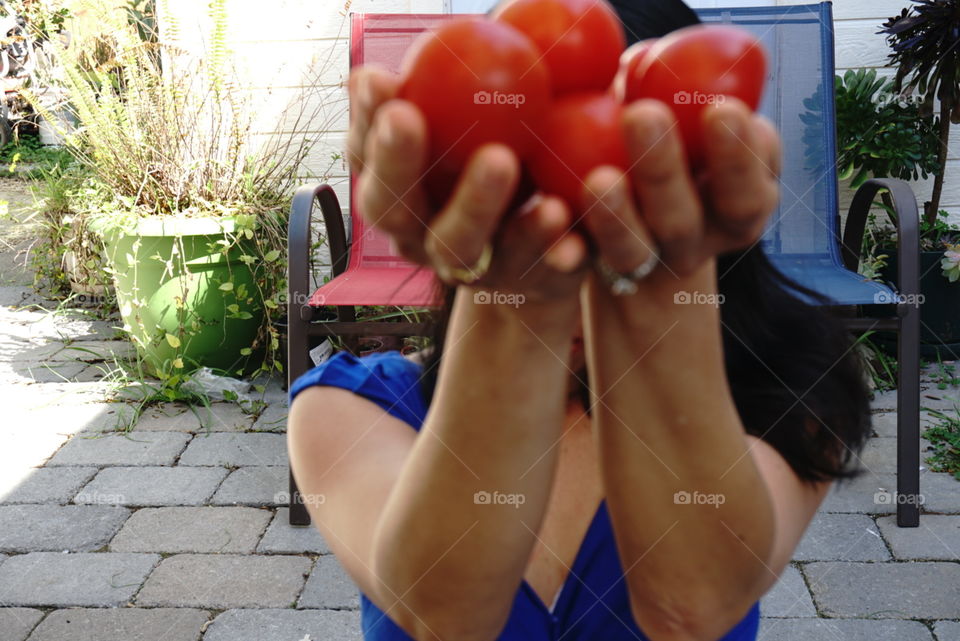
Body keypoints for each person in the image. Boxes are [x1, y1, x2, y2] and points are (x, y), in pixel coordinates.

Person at [288, 1, 872, 639]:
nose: (580, 267)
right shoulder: (343, 409)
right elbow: (445, 612)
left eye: (626, 204)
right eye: (540, 199)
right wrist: (520, 300)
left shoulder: (793, 398)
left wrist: (664, 272)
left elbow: (690, 606)